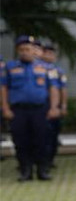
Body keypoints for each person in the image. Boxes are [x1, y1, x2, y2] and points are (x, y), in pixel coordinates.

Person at [1, 35, 57, 181]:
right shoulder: (10, 67)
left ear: (34, 51)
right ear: (18, 51)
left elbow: (53, 89)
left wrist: (54, 107)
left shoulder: (45, 68)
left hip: (40, 109)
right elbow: (4, 88)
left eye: (28, 49)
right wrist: (5, 108)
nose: (25, 52)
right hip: (18, 110)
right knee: (21, 141)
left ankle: (42, 170)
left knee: (42, 140)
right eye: (22, 49)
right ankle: (25, 170)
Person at [39, 40, 66, 169]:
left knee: (53, 134)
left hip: (55, 106)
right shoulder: (37, 68)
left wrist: (63, 106)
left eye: (52, 53)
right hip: (40, 106)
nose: (49, 55)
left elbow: (63, 89)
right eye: (47, 53)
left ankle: (50, 159)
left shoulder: (58, 71)